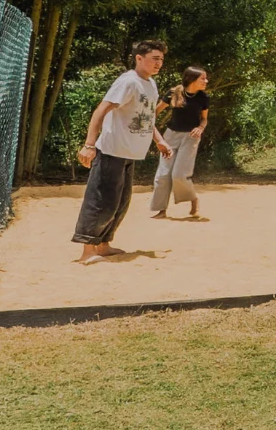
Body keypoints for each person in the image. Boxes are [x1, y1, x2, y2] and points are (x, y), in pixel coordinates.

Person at [74, 40, 172, 263]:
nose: (159, 64)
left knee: (120, 202)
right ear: (139, 58)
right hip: (111, 150)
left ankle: (103, 245)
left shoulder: (151, 84)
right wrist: (89, 145)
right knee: (101, 200)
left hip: (130, 152)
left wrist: (159, 140)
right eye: (155, 59)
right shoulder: (128, 82)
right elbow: (101, 110)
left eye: (161, 60)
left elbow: (147, 117)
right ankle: (87, 251)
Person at [149, 66, 209, 220]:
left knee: (180, 175)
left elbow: (204, 118)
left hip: (191, 137)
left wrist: (201, 128)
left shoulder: (203, 98)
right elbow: (155, 112)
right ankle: (161, 210)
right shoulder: (173, 93)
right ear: (191, 79)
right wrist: (149, 126)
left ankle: (193, 199)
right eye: (203, 78)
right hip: (170, 136)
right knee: (163, 174)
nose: (206, 81)